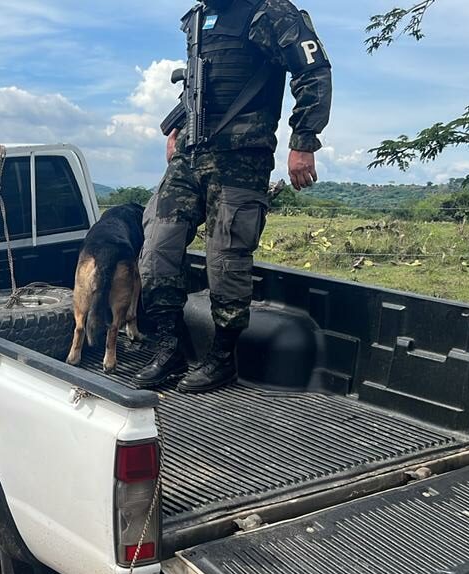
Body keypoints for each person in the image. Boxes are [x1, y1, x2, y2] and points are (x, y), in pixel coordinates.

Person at [135, 0, 332, 392]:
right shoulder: (198, 18)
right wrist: (178, 127)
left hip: (242, 157)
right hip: (191, 153)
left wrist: (304, 140)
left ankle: (222, 359)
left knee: (226, 259)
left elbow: (312, 70)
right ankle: (170, 347)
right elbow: (203, 80)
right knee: (156, 247)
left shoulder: (269, 12)